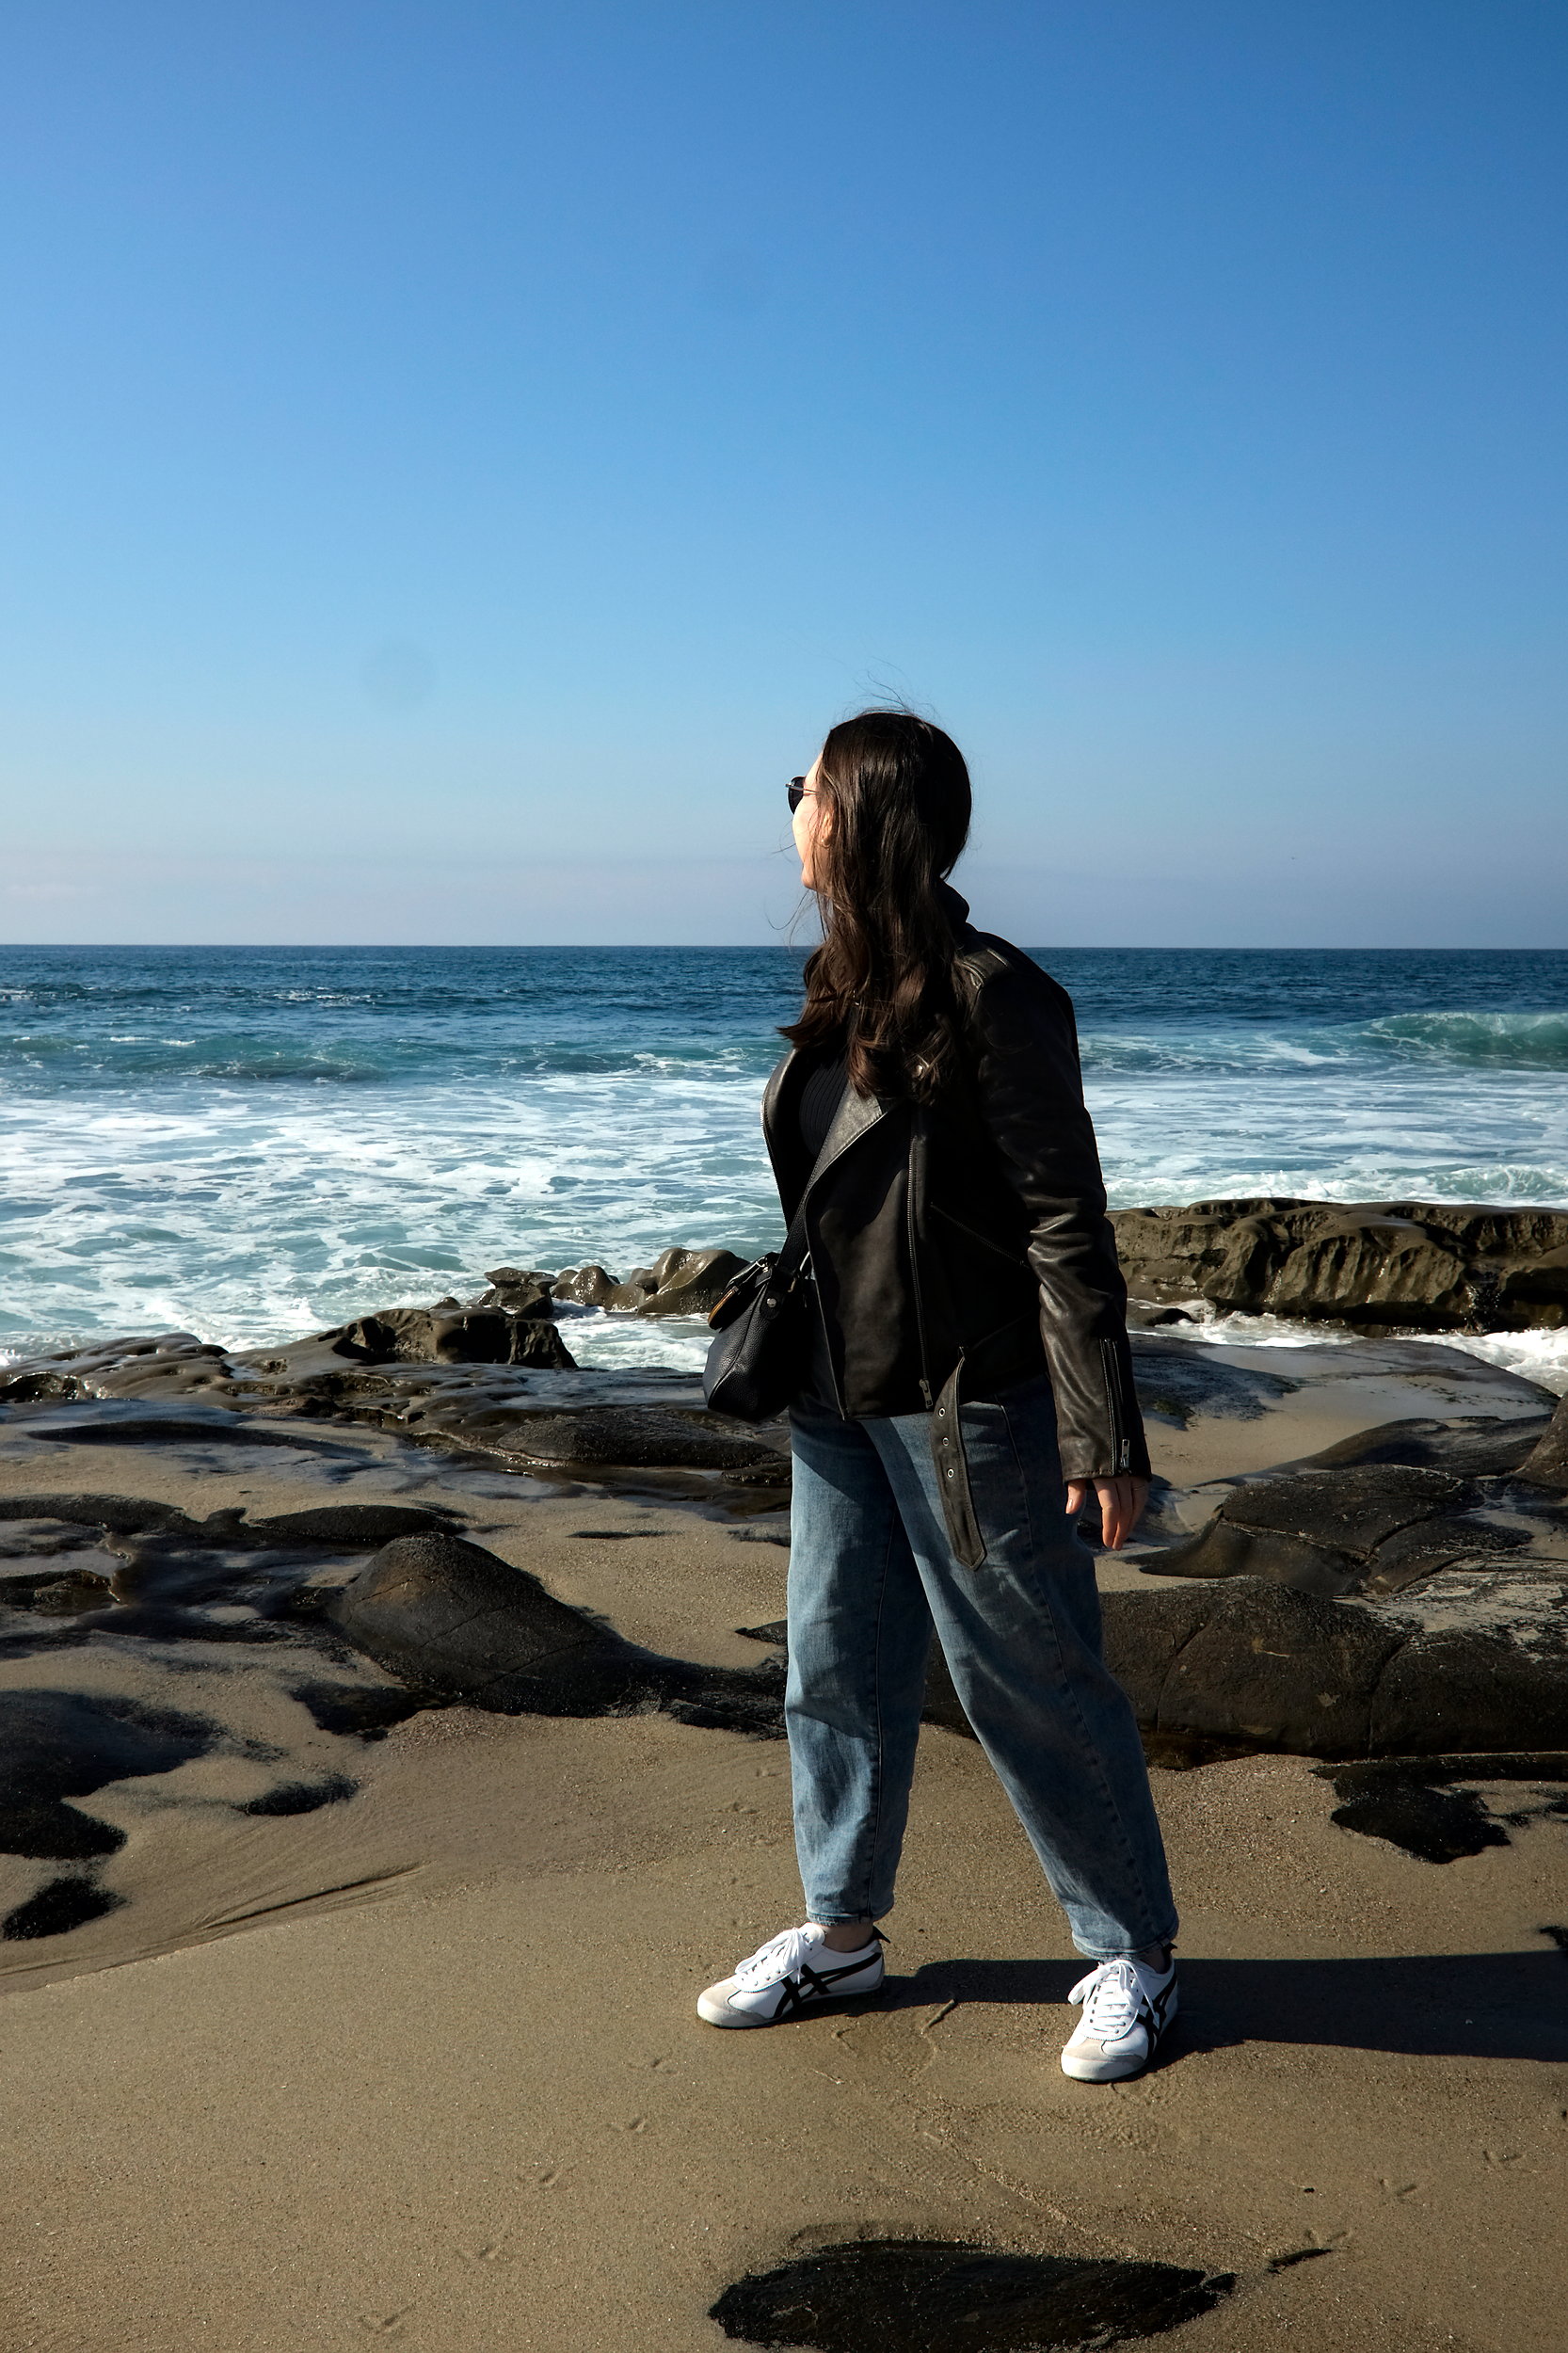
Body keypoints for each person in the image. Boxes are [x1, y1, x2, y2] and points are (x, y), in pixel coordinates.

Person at [696, 710, 1178, 2083]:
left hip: (970, 1405)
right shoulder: (842, 983)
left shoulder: (996, 995)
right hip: (838, 1401)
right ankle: (841, 1936)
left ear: (857, 815)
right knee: (833, 1675)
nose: (789, 809)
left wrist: (1100, 1429)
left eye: (803, 788)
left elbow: (1063, 1225)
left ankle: (1133, 1956)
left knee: (1026, 1680)